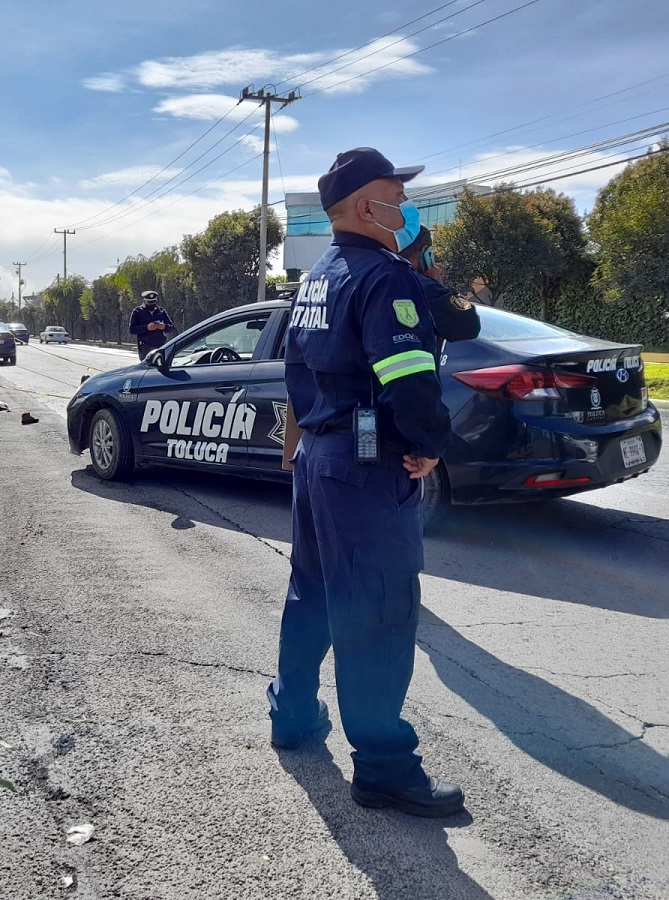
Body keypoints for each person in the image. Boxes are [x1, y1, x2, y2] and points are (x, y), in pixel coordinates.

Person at [268, 147, 465, 818]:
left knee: (312, 596)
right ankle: (384, 768)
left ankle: (292, 716)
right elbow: (409, 378)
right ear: (362, 208)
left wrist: (297, 454)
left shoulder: (316, 279)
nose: (406, 209)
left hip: (319, 463)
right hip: (364, 468)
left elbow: (296, 379)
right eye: (395, 197)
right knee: (379, 615)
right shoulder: (386, 279)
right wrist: (430, 445)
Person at [397, 226, 480, 343]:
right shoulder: (426, 288)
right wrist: (439, 286)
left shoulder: (374, 275)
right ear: (426, 253)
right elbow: (469, 325)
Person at [129, 290, 174, 360]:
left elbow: (171, 328)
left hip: (161, 345)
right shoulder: (137, 311)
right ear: (144, 301)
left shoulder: (161, 311)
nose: (151, 304)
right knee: (147, 368)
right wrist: (146, 328)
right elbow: (132, 329)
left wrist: (164, 326)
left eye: (153, 302)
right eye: (149, 302)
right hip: (145, 347)